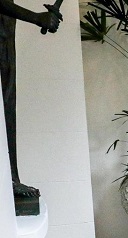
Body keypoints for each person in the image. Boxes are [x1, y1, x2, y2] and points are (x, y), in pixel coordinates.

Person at [0, 0, 62, 197]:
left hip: (5, 41)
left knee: (7, 109)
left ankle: (11, 178)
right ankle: (10, 180)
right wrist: (37, 18)